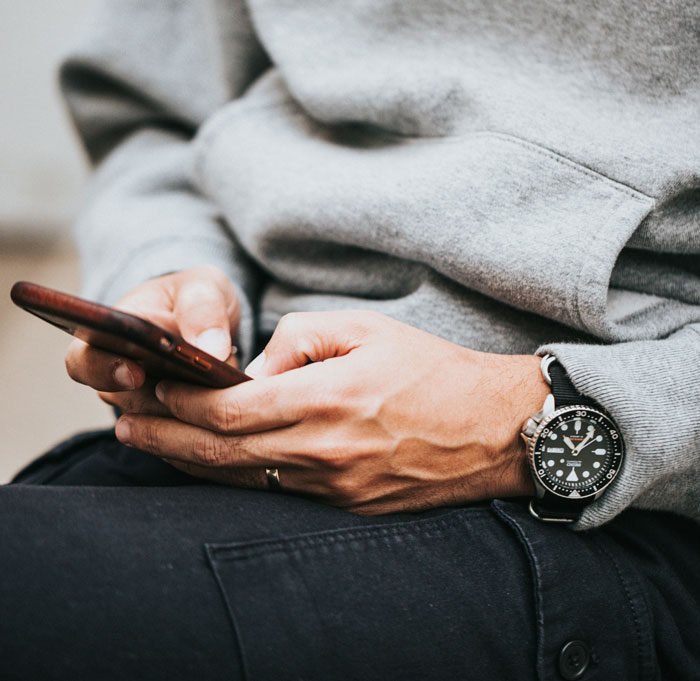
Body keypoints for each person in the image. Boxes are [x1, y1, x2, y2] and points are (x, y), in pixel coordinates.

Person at [2, 0, 700, 679]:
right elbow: (154, 118)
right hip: (258, 416)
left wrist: (525, 424)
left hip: (619, 511)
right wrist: (171, 267)